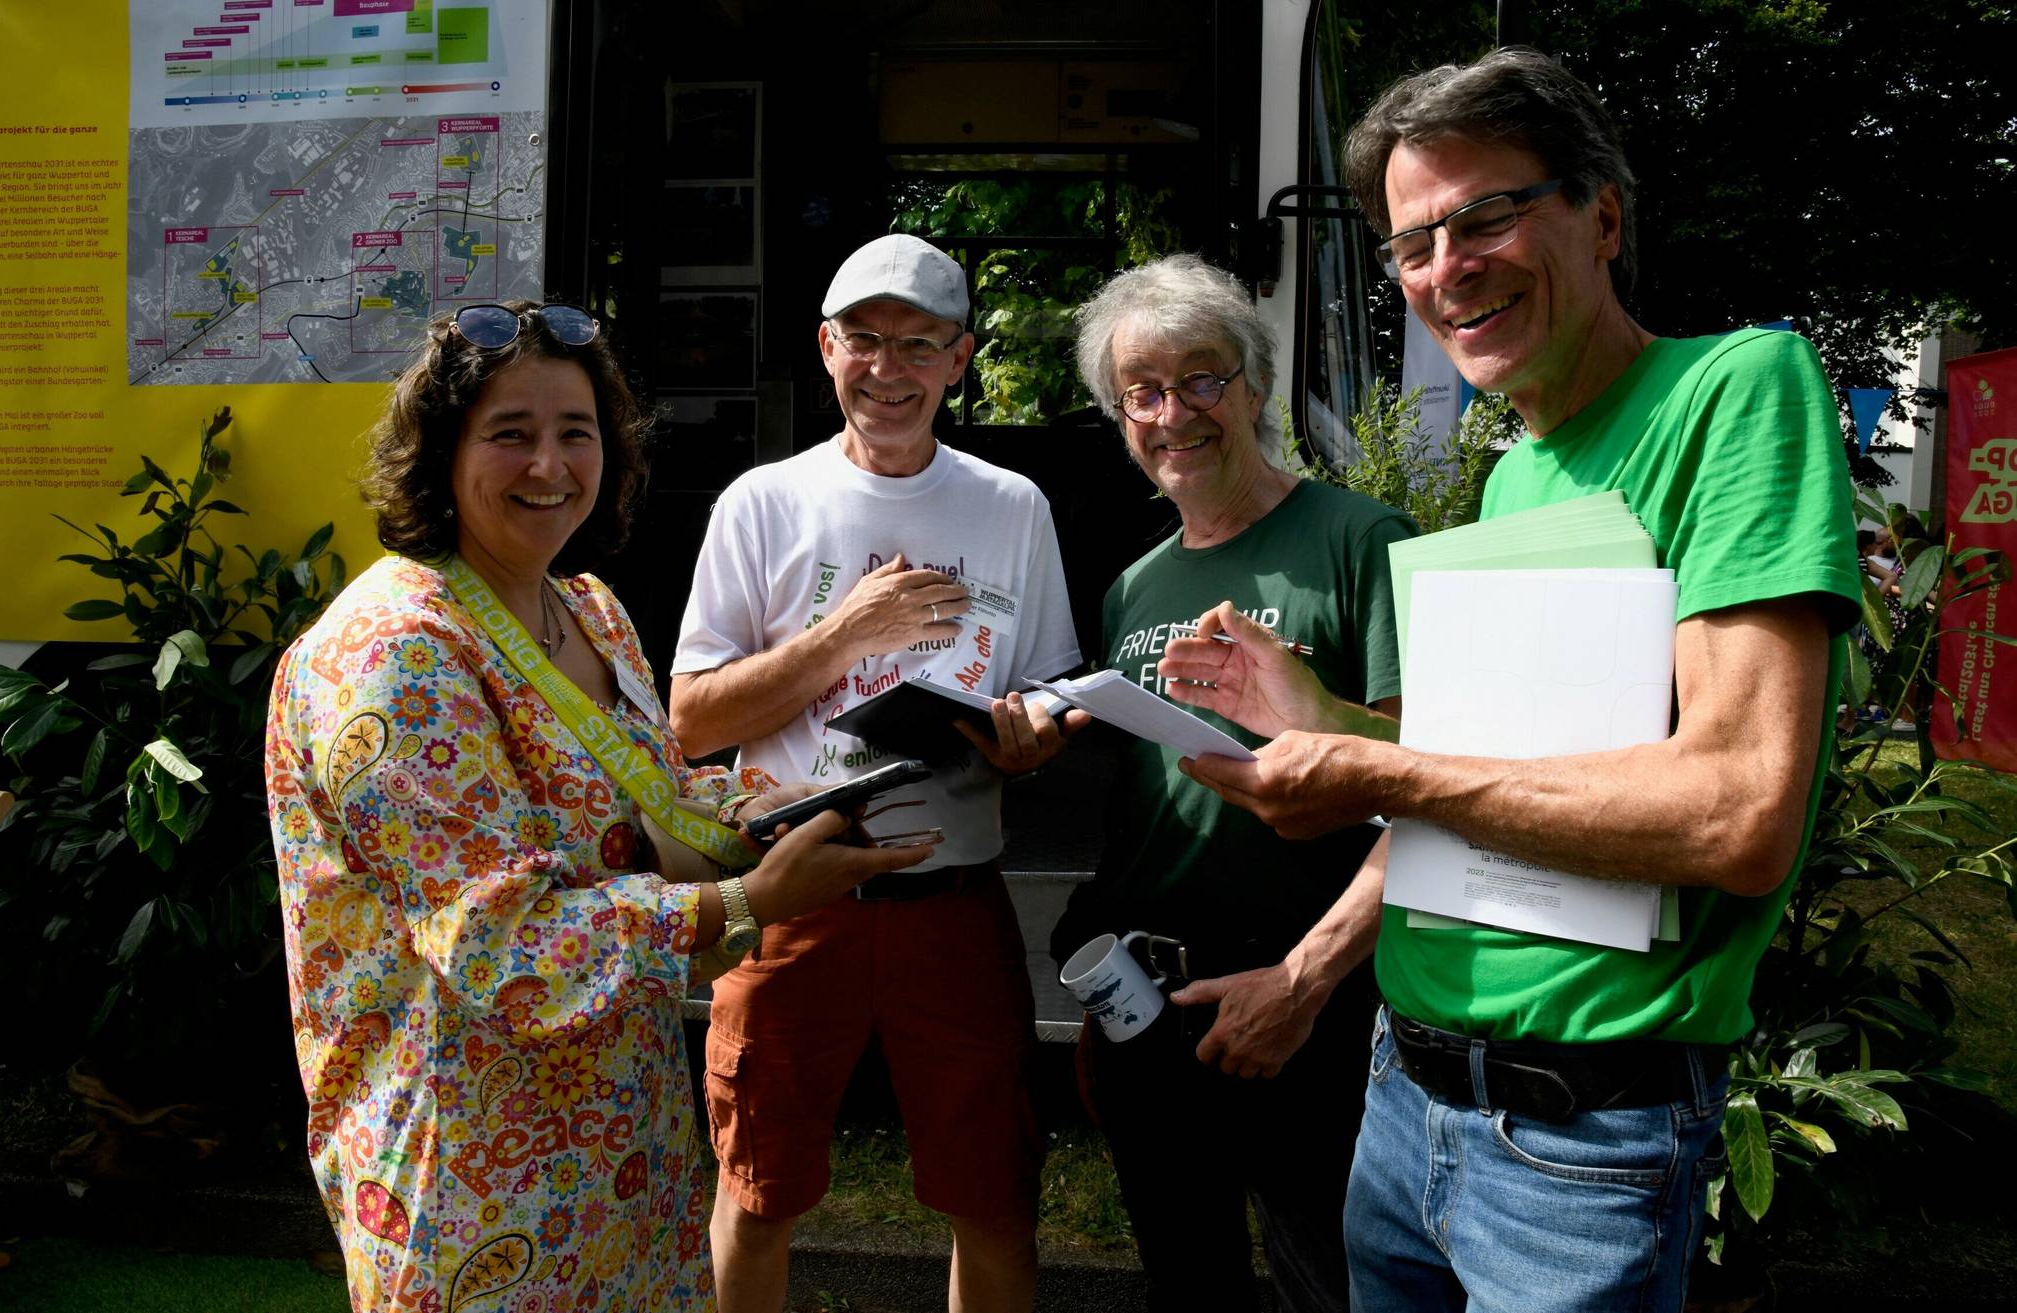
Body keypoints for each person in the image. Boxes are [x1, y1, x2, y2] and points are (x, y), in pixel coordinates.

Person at [1162, 48, 1858, 1312]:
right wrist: (1315, 713)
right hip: (1405, 1094)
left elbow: (1739, 813)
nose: (1446, 268)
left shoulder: (1737, 391)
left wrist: (1370, 767)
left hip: (1576, 1137)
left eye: (1486, 216)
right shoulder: (1516, 474)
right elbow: (1487, 774)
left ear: (1603, 216)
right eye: (1412, 244)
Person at [264, 300, 930, 1312]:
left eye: (576, 431)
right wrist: (751, 900)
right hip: (470, 1173)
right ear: (440, 452)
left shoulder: (587, 608)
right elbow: (499, 941)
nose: (550, 465)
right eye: (510, 433)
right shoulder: (394, 650)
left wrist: (767, 804)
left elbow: (647, 792)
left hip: (624, 1146)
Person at [669, 234, 1083, 1313]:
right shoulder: (763, 500)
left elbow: (1049, 691)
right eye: (863, 339)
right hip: (791, 895)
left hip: (956, 898)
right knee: (756, 1190)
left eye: (918, 344)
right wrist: (845, 634)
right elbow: (693, 719)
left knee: (993, 1196)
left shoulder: (1013, 505)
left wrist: (1033, 735)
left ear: (960, 359)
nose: (887, 369)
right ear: (826, 347)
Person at [1049, 254, 1415, 1313]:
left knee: (1332, 1289)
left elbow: (1429, 780)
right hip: (1150, 1007)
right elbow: (1147, 807)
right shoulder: (1134, 585)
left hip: (1308, 1000)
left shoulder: (1362, 539)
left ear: (1255, 386)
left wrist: (1304, 981)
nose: (1173, 414)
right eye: (1142, 393)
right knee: (1187, 1286)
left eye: (1201, 379)